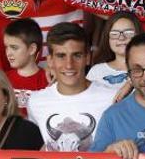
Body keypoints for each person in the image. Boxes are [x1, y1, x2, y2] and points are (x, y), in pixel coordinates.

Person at [28, 23, 114, 152]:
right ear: (50, 60)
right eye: (61, 56)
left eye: (77, 55)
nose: (69, 65)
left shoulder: (112, 98)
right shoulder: (35, 102)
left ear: (88, 58)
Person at [89, 11, 142, 97]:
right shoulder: (96, 71)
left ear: (138, 35)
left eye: (128, 33)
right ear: (107, 37)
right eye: (114, 33)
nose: (121, 37)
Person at [3, 18, 48, 117]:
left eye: (14, 47)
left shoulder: (47, 81)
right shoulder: (3, 79)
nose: (8, 53)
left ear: (32, 49)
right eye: (6, 47)